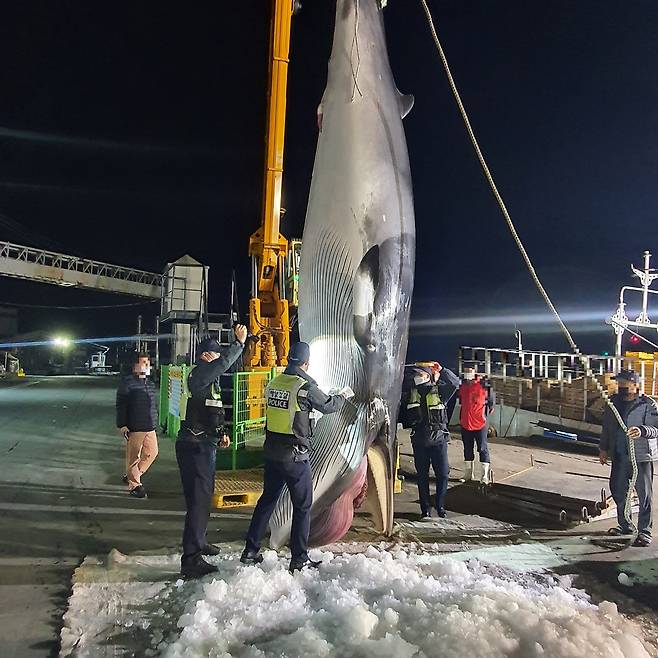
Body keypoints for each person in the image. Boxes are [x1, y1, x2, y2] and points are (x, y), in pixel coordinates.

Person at [241, 341, 350, 572]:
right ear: (306, 363)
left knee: (267, 500)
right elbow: (328, 406)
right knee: (302, 506)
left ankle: (250, 550)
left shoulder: (274, 383)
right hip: (295, 457)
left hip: (271, 453)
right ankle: (299, 558)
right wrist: (343, 395)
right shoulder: (304, 387)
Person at [176, 325, 247, 579]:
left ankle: (199, 541)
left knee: (202, 500)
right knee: (198, 502)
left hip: (204, 443)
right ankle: (191, 560)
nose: (219, 362)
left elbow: (212, 409)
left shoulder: (209, 382)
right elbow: (222, 364)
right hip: (194, 446)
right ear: (206, 356)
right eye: (215, 357)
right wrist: (237, 344)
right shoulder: (199, 376)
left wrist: (222, 432)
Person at [599, 369, 658, 547]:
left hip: (640, 456)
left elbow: (655, 428)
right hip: (619, 454)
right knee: (618, 491)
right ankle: (626, 526)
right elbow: (607, 427)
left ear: (635, 385)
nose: (622, 387)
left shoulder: (648, 404)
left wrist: (641, 430)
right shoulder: (613, 403)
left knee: (644, 494)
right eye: (620, 383)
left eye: (626, 384)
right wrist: (603, 448)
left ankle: (645, 532)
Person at [402, 361, 460, 519]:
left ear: (427, 375)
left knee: (442, 474)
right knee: (422, 476)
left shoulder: (440, 391)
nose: (416, 377)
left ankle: (440, 506)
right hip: (419, 441)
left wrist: (442, 369)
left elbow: (455, 382)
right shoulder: (410, 392)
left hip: (438, 440)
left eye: (419, 374)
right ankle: (425, 509)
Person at [116, 353, 158, 499]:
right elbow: (121, 405)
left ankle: (133, 475)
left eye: (148, 363)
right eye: (143, 363)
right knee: (133, 457)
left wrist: (155, 421)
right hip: (135, 426)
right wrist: (122, 425)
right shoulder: (127, 383)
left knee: (152, 453)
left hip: (150, 425)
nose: (146, 366)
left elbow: (153, 406)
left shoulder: (150, 384)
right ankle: (135, 485)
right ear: (134, 366)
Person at [458, 366, 495, 484]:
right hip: (465, 424)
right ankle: (468, 474)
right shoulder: (462, 386)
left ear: (475, 372)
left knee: (482, 449)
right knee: (467, 449)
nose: (467, 373)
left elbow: (491, 403)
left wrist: (484, 416)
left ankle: (484, 476)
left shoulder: (483, 386)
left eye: (470, 371)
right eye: (466, 371)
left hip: (480, 424)